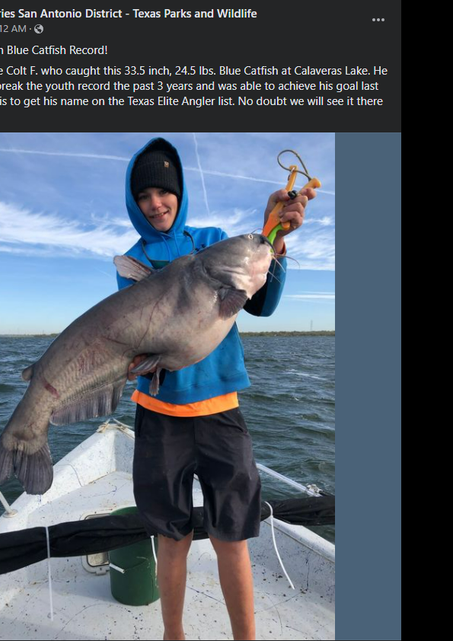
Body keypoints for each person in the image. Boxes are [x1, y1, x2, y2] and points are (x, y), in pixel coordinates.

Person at [118, 138, 314, 640]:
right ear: (133, 203)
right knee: (172, 540)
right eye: (144, 197)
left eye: (164, 192)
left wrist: (275, 236)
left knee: (233, 539)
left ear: (179, 195)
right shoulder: (130, 264)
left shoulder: (212, 240)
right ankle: (173, 635)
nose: (156, 204)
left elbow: (261, 302)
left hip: (221, 413)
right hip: (159, 415)